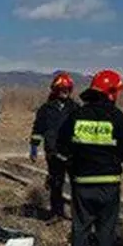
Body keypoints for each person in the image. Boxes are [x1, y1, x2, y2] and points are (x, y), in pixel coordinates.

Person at [55, 69, 123, 246]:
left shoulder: (76, 116)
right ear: (111, 93)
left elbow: (61, 151)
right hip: (109, 186)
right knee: (106, 229)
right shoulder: (118, 119)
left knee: (80, 227)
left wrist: (57, 178)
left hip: (82, 185)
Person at [29, 72, 78, 222]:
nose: (65, 91)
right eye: (62, 88)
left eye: (67, 88)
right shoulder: (45, 109)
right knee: (56, 183)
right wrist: (34, 148)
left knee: (76, 184)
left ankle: (78, 216)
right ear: (55, 90)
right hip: (53, 152)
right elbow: (38, 129)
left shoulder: (76, 108)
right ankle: (56, 213)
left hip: (72, 153)